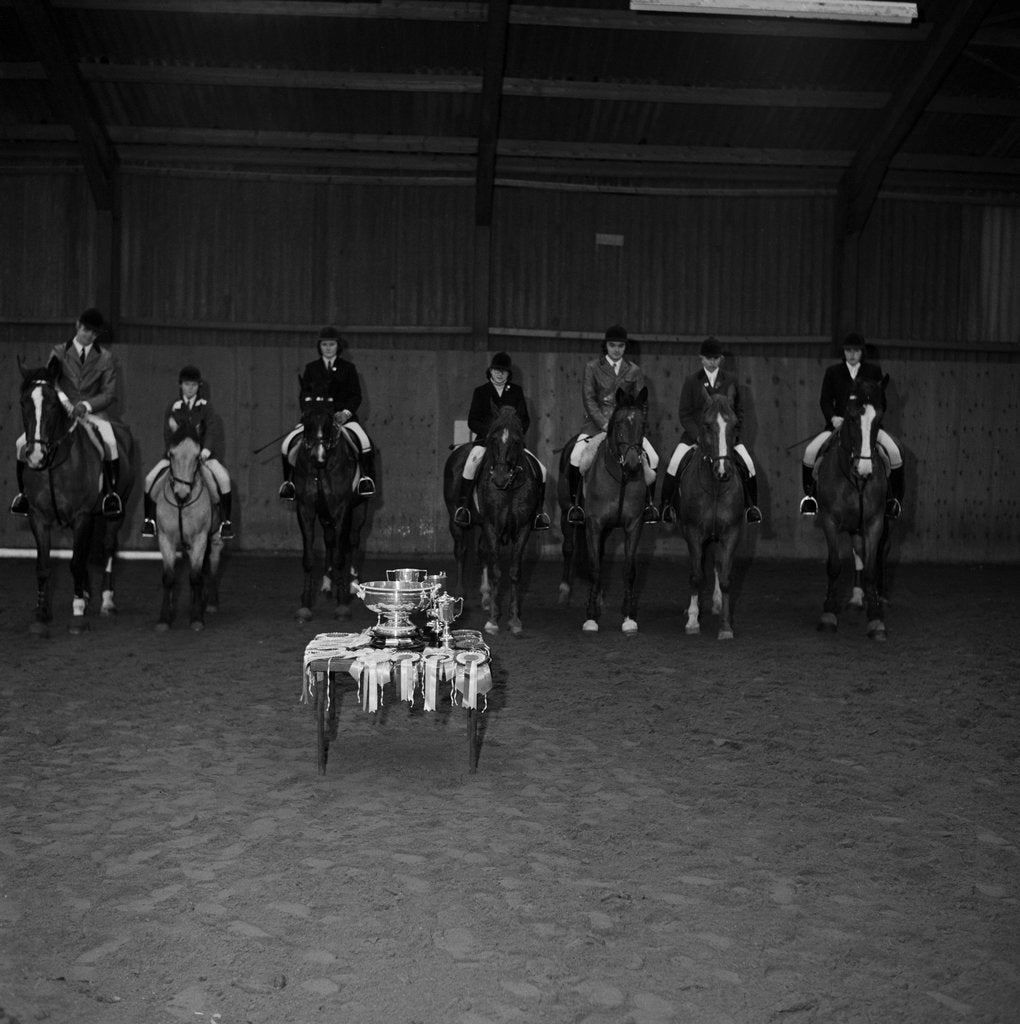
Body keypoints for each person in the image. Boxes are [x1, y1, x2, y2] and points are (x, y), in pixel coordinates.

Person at [10, 307, 123, 519]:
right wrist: (64, 401)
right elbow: (47, 381)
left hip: (92, 414)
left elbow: (108, 393)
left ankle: (111, 495)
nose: (89, 335)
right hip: (61, 411)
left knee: (110, 443)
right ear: (78, 326)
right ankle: (23, 495)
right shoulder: (60, 351)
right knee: (19, 444)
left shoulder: (106, 358)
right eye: (86, 330)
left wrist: (86, 406)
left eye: (94, 333)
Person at [659, 336, 763, 525]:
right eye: (709, 358)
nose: (712, 362)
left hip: (725, 436)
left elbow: (738, 411)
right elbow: (685, 413)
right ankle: (667, 506)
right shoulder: (692, 380)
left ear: (720, 359)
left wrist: (730, 435)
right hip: (697, 436)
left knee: (748, 463)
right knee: (674, 463)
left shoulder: (730, 380)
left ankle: (751, 507)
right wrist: (697, 436)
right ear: (701, 358)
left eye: (716, 358)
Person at [799, 332, 904, 519]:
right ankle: (810, 498)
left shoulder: (873, 372)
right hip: (839, 425)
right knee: (810, 451)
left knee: (894, 452)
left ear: (861, 352)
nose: (852, 354)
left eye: (856, 351)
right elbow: (824, 400)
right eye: (848, 351)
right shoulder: (833, 372)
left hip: (867, 427)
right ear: (844, 352)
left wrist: (870, 418)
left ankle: (893, 500)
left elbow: (882, 402)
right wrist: (833, 418)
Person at [565, 324, 659, 526]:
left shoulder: (634, 370)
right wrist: (604, 423)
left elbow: (642, 404)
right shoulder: (592, 367)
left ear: (625, 348)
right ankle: (576, 505)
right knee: (575, 456)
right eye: (612, 345)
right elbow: (589, 399)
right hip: (596, 425)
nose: (616, 349)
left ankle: (649, 505)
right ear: (605, 346)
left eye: (620, 346)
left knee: (654, 458)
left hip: (627, 429)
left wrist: (636, 425)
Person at [453, 352, 551, 531]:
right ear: (490, 371)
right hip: (486, 441)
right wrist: (491, 434)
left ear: (508, 374)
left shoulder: (516, 391)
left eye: (504, 371)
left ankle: (538, 513)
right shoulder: (481, 391)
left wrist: (513, 436)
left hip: (511, 444)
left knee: (542, 471)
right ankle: (464, 508)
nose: (500, 374)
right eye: (497, 370)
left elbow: (525, 419)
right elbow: (472, 420)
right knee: (469, 466)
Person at [278, 327, 375, 500]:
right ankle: (289, 483)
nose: (328, 348)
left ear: (338, 346)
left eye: (331, 344)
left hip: (342, 419)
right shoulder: (312, 369)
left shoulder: (348, 368)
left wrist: (345, 413)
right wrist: (310, 413)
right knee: (287, 444)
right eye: (324, 344)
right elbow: (304, 396)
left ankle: (365, 479)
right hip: (317, 420)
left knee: (365, 441)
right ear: (319, 346)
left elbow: (355, 395)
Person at [140, 365, 234, 539]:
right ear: (181, 385)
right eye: (186, 384)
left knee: (223, 479)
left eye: (194, 385)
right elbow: (167, 432)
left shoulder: (206, 407)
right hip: (176, 457)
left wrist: (205, 450)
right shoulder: (173, 407)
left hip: (203, 457)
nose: (190, 388)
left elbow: (212, 430)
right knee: (149, 479)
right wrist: (171, 451)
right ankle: (149, 521)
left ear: (199, 387)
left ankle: (225, 522)